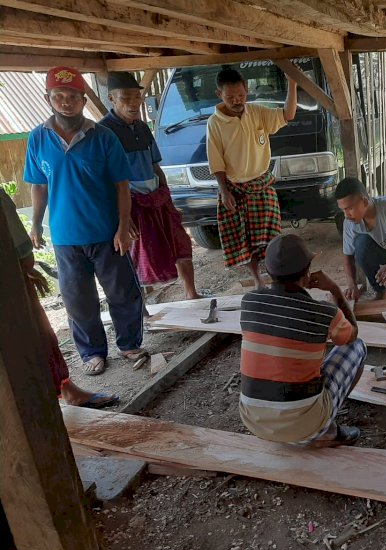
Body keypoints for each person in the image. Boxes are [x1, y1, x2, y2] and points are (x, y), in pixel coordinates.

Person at [24, 66, 146, 376]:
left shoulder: (103, 137)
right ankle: (92, 352)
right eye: (59, 96)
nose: (66, 102)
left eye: (73, 97)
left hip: (106, 232)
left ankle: (129, 344)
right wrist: (37, 223)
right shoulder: (38, 138)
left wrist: (123, 226)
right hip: (65, 236)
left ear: (83, 99)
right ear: (48, 98)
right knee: (79, 301)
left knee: (122, 292)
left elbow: (122, 185)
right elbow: (38, 185)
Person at [238, 234, 366, 447]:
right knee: (357, 347)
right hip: (304, 425)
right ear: (307, 272)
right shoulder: (324, 313)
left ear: (269, 272)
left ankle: (300, 423)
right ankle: (325, 430)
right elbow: (352, 334)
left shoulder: (249, 301)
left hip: (254, 421)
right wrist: (335, 290)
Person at [1, 189, 119, 407]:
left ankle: (64, 393)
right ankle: (54, 401)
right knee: (37, 342)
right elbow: (24, 257)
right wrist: (26, 267)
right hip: (10, 295)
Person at [99, 71, 200, 300]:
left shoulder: (142, 127)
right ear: (111, 99)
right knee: (136, 256)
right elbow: (103, 180)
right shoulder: (103, 132)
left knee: (180, 242)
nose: (133, 103)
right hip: (131, 203)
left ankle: (191, 293)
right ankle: (140, 308)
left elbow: (155, 166)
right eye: (126, 97)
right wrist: (122, 218)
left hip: (157, 197)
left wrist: (168, 199)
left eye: (137, 96)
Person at [206, 68, 297, 289]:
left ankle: (278, 279)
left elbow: (288, 114)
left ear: (247, 89)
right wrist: (224, 191)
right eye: (230, 97)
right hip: (234, 189)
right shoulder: (214, 123)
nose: (236, 101)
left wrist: (292, 84)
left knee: (273, 238)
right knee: (246, 243)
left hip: (262, 186)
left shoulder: (257, 113)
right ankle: (258, 282)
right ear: (219, 94)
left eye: (240, 95)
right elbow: (216, 161)